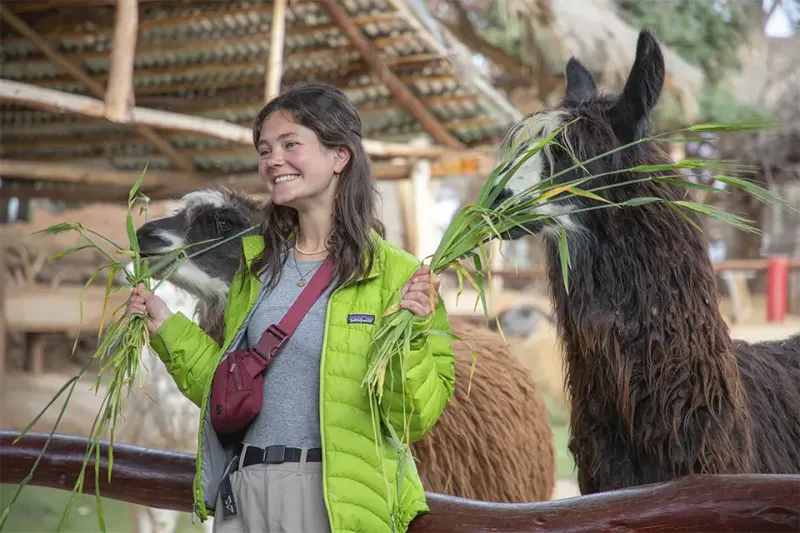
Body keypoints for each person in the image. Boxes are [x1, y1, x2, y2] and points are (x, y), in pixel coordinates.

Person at [125, 82, 456, 533]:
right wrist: (166, 325)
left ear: (340, 157)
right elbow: (227, 387)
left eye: (290, 144)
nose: (272, 160)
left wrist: (412, 339)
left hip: (331, 499)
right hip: (246, 492)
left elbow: (413, 417)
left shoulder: (397, 276)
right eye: (264, 149)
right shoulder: (256, 269)